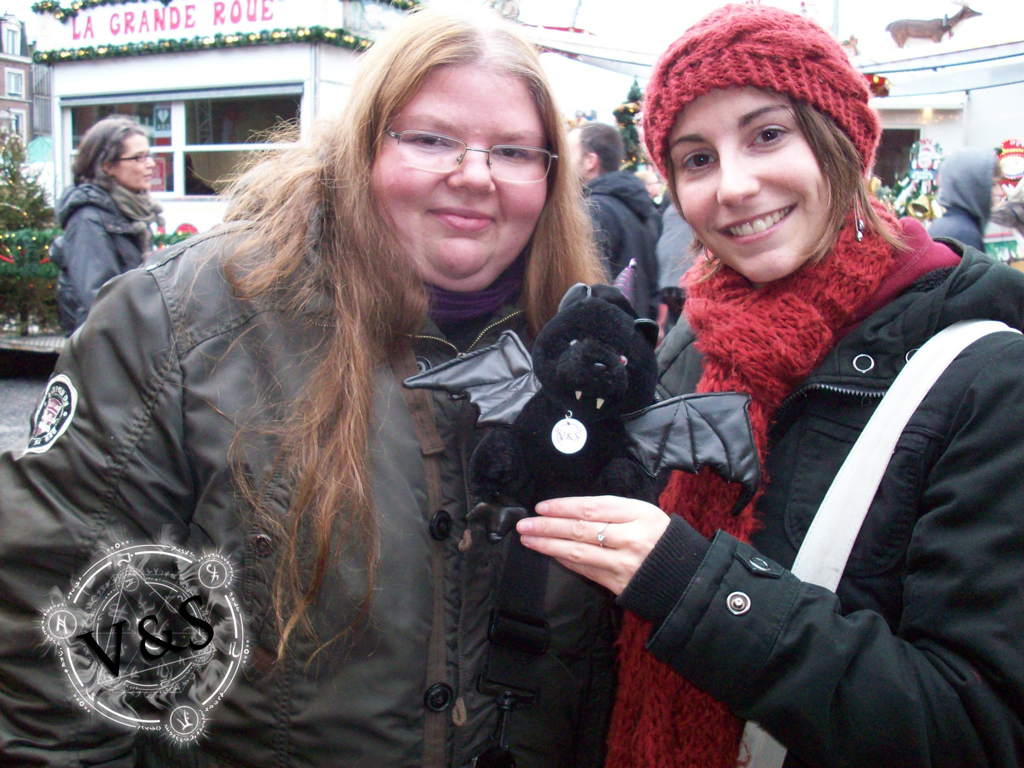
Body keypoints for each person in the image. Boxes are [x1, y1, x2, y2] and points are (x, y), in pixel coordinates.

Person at [0, 8, 614, 767]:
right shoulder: (186, 324)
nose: (475, 175)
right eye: (430, 139)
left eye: (515, 150)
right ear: (361, 146)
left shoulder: (589, 355)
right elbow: (66, 663)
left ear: (552, 176)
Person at [516, 5, 1024, 768]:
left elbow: (976, 727)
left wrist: (695, 587)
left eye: (767, 134)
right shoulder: (694, 337)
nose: (734, 186)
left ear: (842, 139)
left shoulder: (982, 373)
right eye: (696, 159)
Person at [49, 115, 163, 335]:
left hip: (126, 342)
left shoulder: (128, 212)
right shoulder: (87, 218)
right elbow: (100, 301)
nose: (150, 164)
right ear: (107, 166)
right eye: (138, 157)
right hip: (103, 350)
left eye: (149, 155)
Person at [569, 122, 661, 319]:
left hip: (606, 337)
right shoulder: (641, 208)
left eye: (568, 154)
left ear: (589, 161)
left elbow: (586, 293)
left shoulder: (591, 211)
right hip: (636, 334)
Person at [927, 146, 1000, 251]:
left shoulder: (947, 225)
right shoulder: (965, 234)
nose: (999, 192)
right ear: (974, 186)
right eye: (993, 185)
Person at [654, 204, 695, 336]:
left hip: (666, 275)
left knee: (674, 322)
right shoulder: (693, 208)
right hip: (688, 273)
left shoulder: (670, 210)